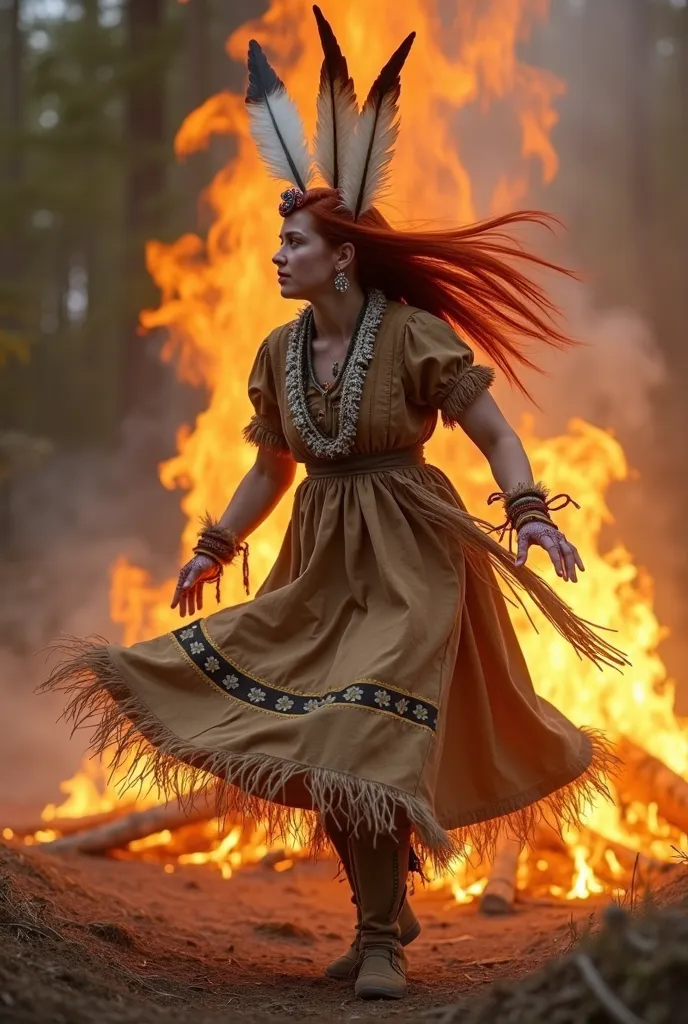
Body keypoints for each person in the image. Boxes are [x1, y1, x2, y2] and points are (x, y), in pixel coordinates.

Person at [41, 7, 625, 1002]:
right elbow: (271, 467)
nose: (277, 255)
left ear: (342, 255)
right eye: (278, 240)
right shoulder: (276, 355)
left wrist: (526, 509)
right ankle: (382, 912)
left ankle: (382, 939)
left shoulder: (412, 336)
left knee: (366, 725)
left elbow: (489, 429)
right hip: (320, 560)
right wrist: (214, 546)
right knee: (318, 732)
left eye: (295, 241)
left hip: (413, 549)